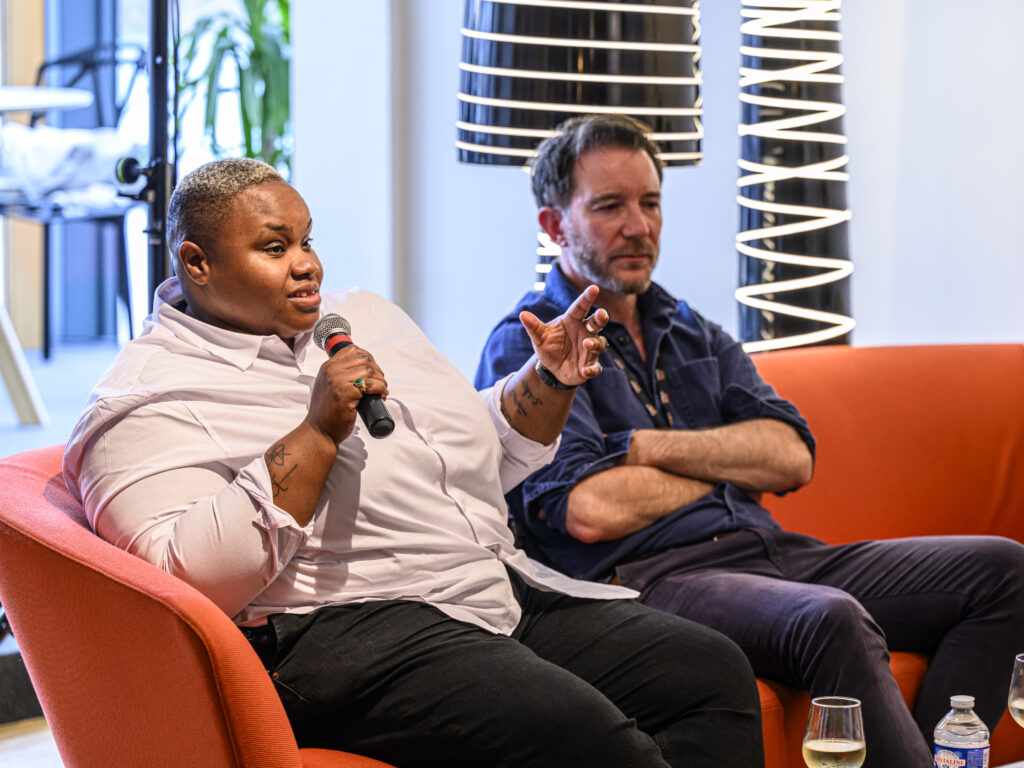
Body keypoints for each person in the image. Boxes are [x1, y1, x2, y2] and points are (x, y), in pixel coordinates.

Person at [62, 158, 765, 768]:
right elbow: (176, 579)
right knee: (587, 740)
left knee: (707, 672)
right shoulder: (145, 397)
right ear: (197, 263)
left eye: (307, 241)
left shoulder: (361, 315)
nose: (307, 265)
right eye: (275, 248)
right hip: (344, 630)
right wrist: (317, 432)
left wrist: (545, 381)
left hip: (486, 588)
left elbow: (473, 454)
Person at [475, 114, 1024, 766]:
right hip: (652, 578)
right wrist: (732, 459)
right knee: (831, 618)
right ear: (554, 224)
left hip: (771, 550)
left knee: (1004, 571)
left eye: (651, 203)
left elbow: (792, 457)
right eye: (610, 206)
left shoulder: (691, 329)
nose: (639, 226)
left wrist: (643, 448)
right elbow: (591, 510)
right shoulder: (532, 345)